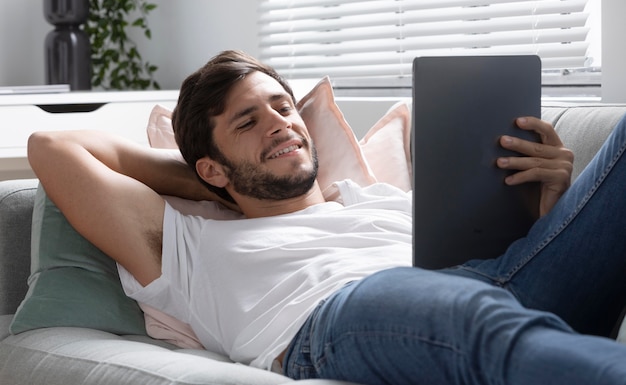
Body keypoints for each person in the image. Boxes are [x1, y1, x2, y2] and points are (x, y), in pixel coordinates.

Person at [27, 50, 626, 385]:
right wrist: (226, 182)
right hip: (342, 315)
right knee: (466, 313)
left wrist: (551, 201)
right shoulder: (184, 242)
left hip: (487, 279)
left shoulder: (376, 200)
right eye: (247, 122)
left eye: (283, 108)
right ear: (209, 167)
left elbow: (513, 275)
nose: (280, 123)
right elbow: (53, 149)